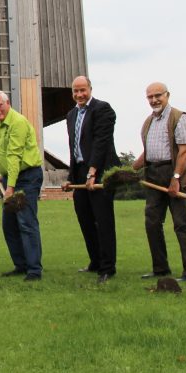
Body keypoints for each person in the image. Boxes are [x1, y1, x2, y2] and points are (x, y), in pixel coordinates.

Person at [132, 82, 186, 282]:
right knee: (152, 223)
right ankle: (160, 269)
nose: (154, 100)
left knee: (181, 224)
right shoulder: (149, 122)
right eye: (150, 97)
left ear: (167, 95)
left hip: (175, 173)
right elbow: (147, 153)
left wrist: (176, 179)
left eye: (158, 95)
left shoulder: (179, 118)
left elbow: (184, 152)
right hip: (154, 174)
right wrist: (129, 171)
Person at [63, 75, 118, 284]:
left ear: (90, 89)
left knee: (102, 220)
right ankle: (95, 261)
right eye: (75, 91)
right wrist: (71, 176)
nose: (79, 94)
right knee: (85, 218)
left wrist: (93, 171)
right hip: (80, 171)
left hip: (100, 171)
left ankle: (107, 267)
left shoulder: (103, 109)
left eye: (82, 90)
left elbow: (101, 142)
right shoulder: (71, 115)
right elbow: (74, 147)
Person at [0, 90, 44, 282]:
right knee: (9, 225)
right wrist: (1, 176)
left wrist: (10, 186)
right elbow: (3, 155)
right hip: (10, 177)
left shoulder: (17, 122)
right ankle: (21, 265)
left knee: (26, 223)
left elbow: (15, 155)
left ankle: (34, 270)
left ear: (8, 103)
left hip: (27, 177)